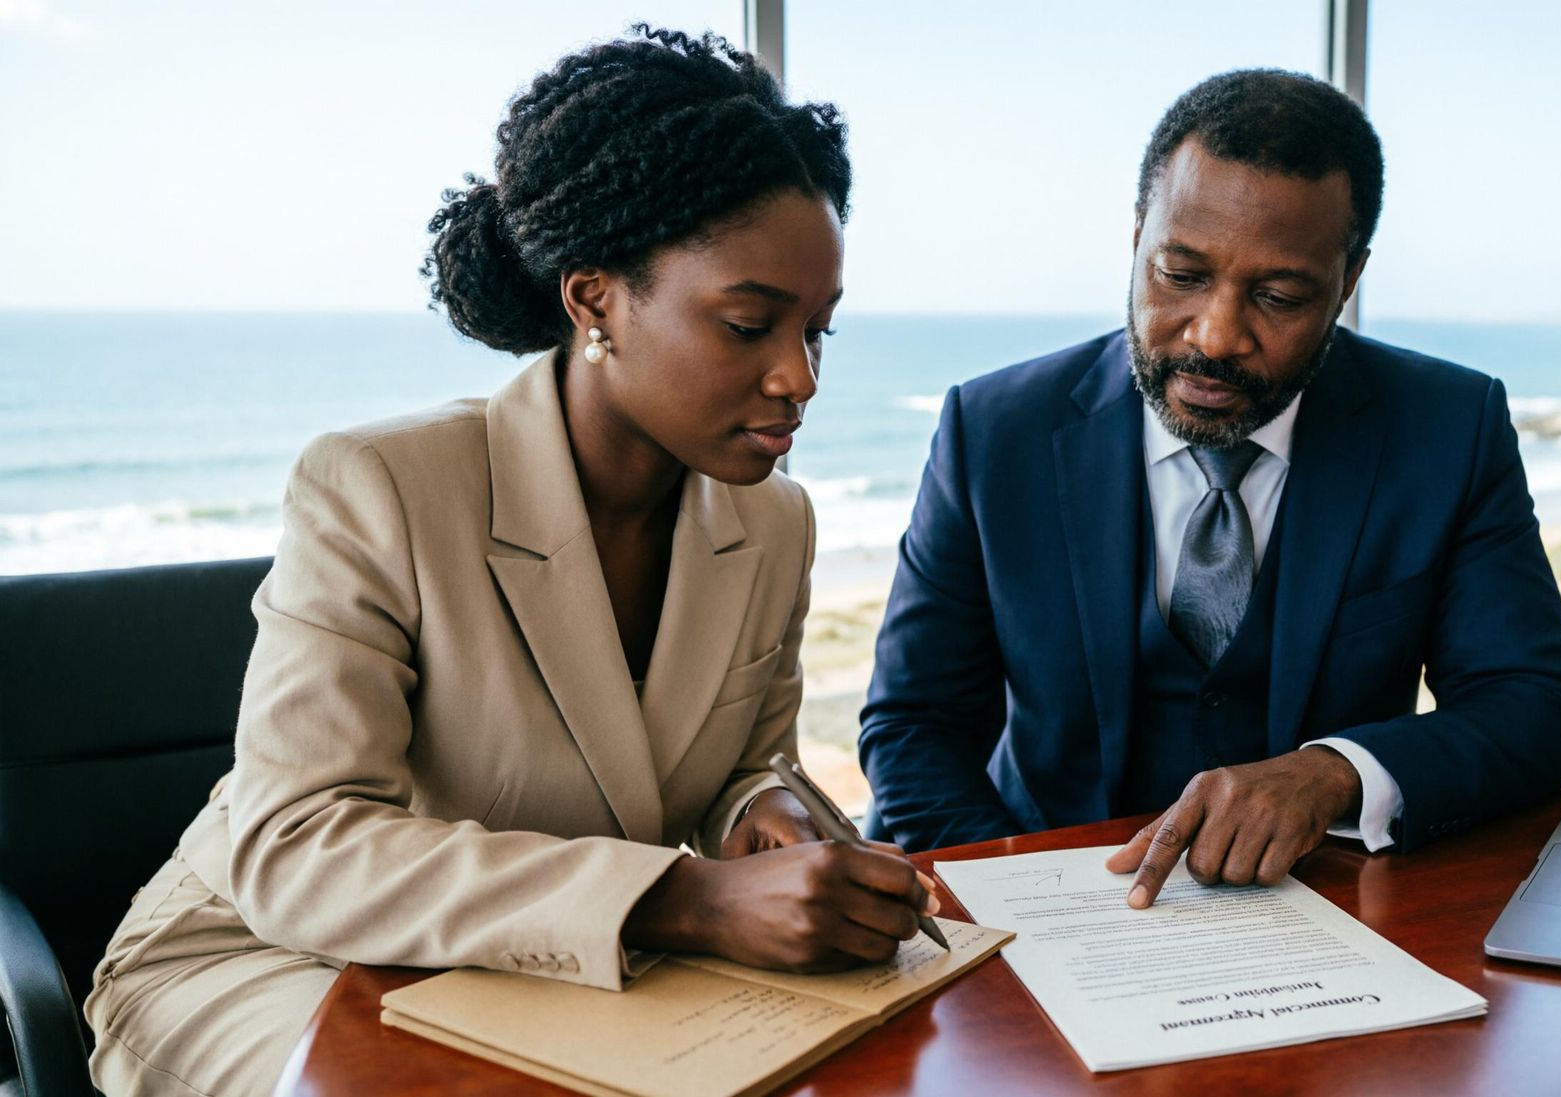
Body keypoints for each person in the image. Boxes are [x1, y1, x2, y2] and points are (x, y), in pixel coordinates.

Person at [84, 26, 935, 1096]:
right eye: (748, 324)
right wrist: (683, 898)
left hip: (549, 973)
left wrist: (766, 816)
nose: (799, 377)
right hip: (272, 958)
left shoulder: (774, 524)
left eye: (818, 330)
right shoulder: (379, 487)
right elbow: (296, 842)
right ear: (594, 301)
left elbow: (741, 763)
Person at [858, 70, 1561, 905]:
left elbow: (1534, 707)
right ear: (1138, 236)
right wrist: (1021, 901)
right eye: (1181, 275)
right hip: (1045, 912)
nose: (1215, 336)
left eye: (1278, 297)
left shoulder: (1448, 428)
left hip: (1332, 913)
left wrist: (1335, 773)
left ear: (1348, 281)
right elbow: (913, 726)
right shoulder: (993, 431)